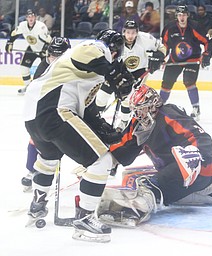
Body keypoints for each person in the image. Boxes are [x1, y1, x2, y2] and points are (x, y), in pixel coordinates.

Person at [23, 29, 134, 242]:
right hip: (54, 111)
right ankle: (84, 220)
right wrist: (113, 74)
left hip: (33, 116)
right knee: (101, 162)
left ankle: (36, 207)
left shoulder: (81, 74)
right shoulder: (95, 48)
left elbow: (86, 109)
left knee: (48, 159)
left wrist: (103, 128)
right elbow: (88, 54)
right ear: (115, 51)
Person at [95, 84, 212, 227]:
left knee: (150, 185)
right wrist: (99, 161)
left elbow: (201, 137)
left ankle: (134, 209)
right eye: (136, 110)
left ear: (154, 105)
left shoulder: (168, 114)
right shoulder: (139, 124)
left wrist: (198, 155)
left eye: (142, 109)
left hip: (197, 170)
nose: (139, 114)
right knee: (129, 177)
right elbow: (122, 149)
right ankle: (209, 192)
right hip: (174, 173)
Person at [21, 36, 71, 192]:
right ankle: (31, 171)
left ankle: (87, 169)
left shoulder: (71, 68)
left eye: (58, 55)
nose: (53, 59)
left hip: (63, 112)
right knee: (36, 140)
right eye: (51, 55)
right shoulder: (43, 69)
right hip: (41, 113)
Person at [96, 20, 166, 132]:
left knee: (128, 100)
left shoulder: (146, 39)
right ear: (123, 32)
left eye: (133, 32)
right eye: (128, 32)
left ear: (137, 32)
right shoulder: (117, 41)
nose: (130, 35)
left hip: (138, 73)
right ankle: (96, 117)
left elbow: (162, 48)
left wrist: (159, 56)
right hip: (118, 71)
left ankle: (123, 123)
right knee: (102, 96)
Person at [160, 5, 212, 121]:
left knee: (189, 82)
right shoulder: (170, 28)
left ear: (187, 15)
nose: (182, 17)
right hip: (175, 60)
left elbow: (207, 41)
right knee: (166, 84)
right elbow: (164, 45)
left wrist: (206, 55)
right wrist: (161, 57)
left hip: (192, 60)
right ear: (176, 16)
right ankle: (158, 108)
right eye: (179, 15)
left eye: (184, 15)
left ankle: (196, 109)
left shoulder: (195, 26)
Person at [5, 9, 52, 95]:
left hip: (43, 50)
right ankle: (28, 87)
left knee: (46, 71)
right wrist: (10, 42)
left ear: (35, 17)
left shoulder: (41, 26)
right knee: (23, 67)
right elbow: (14, 34)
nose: (30, 18)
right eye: (29, 17)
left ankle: (46, 88)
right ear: (26, 18)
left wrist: (46, 49)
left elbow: (49, 40)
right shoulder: (22, 25)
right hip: (32, 48)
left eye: (32, 16)